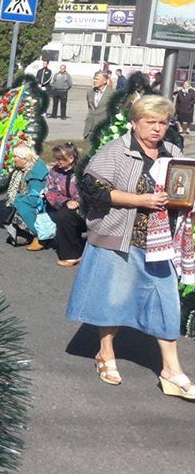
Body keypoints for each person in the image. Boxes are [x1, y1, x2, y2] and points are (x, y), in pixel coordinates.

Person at [66, 95, 195, 399]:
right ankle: (105, 353)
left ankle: (171, 371)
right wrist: (141, 201)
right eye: (150, 122)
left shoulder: (173, 152)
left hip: (160, 243)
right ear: (135, 123)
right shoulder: (116, 151)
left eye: (162, 122)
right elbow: (93, 191)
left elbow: (184, 189)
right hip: (118, 239)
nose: (157, 128)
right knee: (113, 300)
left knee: (166, 301)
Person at [45, 142, 86, 266]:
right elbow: (50, 190)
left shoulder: (83, 171)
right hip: (65, 205)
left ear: (71, 159)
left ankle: (75, 253)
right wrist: (65, 201)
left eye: (60, 159)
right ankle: (72, 254)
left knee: (65, 216)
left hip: (85, 208)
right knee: (63, 215)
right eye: (56, 159)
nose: (57, 162)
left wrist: (78, 202)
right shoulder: (55, 171)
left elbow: (91, 192)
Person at [3, 143, 50, 251]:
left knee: (19, 204)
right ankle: (24, 234)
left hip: (42, 204)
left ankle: (39, 235)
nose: (14, 159)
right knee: (16, 201)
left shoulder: (36, 175)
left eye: (16, 157)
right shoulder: (22, 170)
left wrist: (18, 199)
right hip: (30, 198)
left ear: (25, 160)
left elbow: (35, 199)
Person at [84, 70, 114, 139]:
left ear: (105, 81)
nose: (94, 81)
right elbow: (90, 108)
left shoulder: (113, 94)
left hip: (104, 131)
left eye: (97, 79)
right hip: (89, 130)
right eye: (94, 79)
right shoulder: (90, 92)